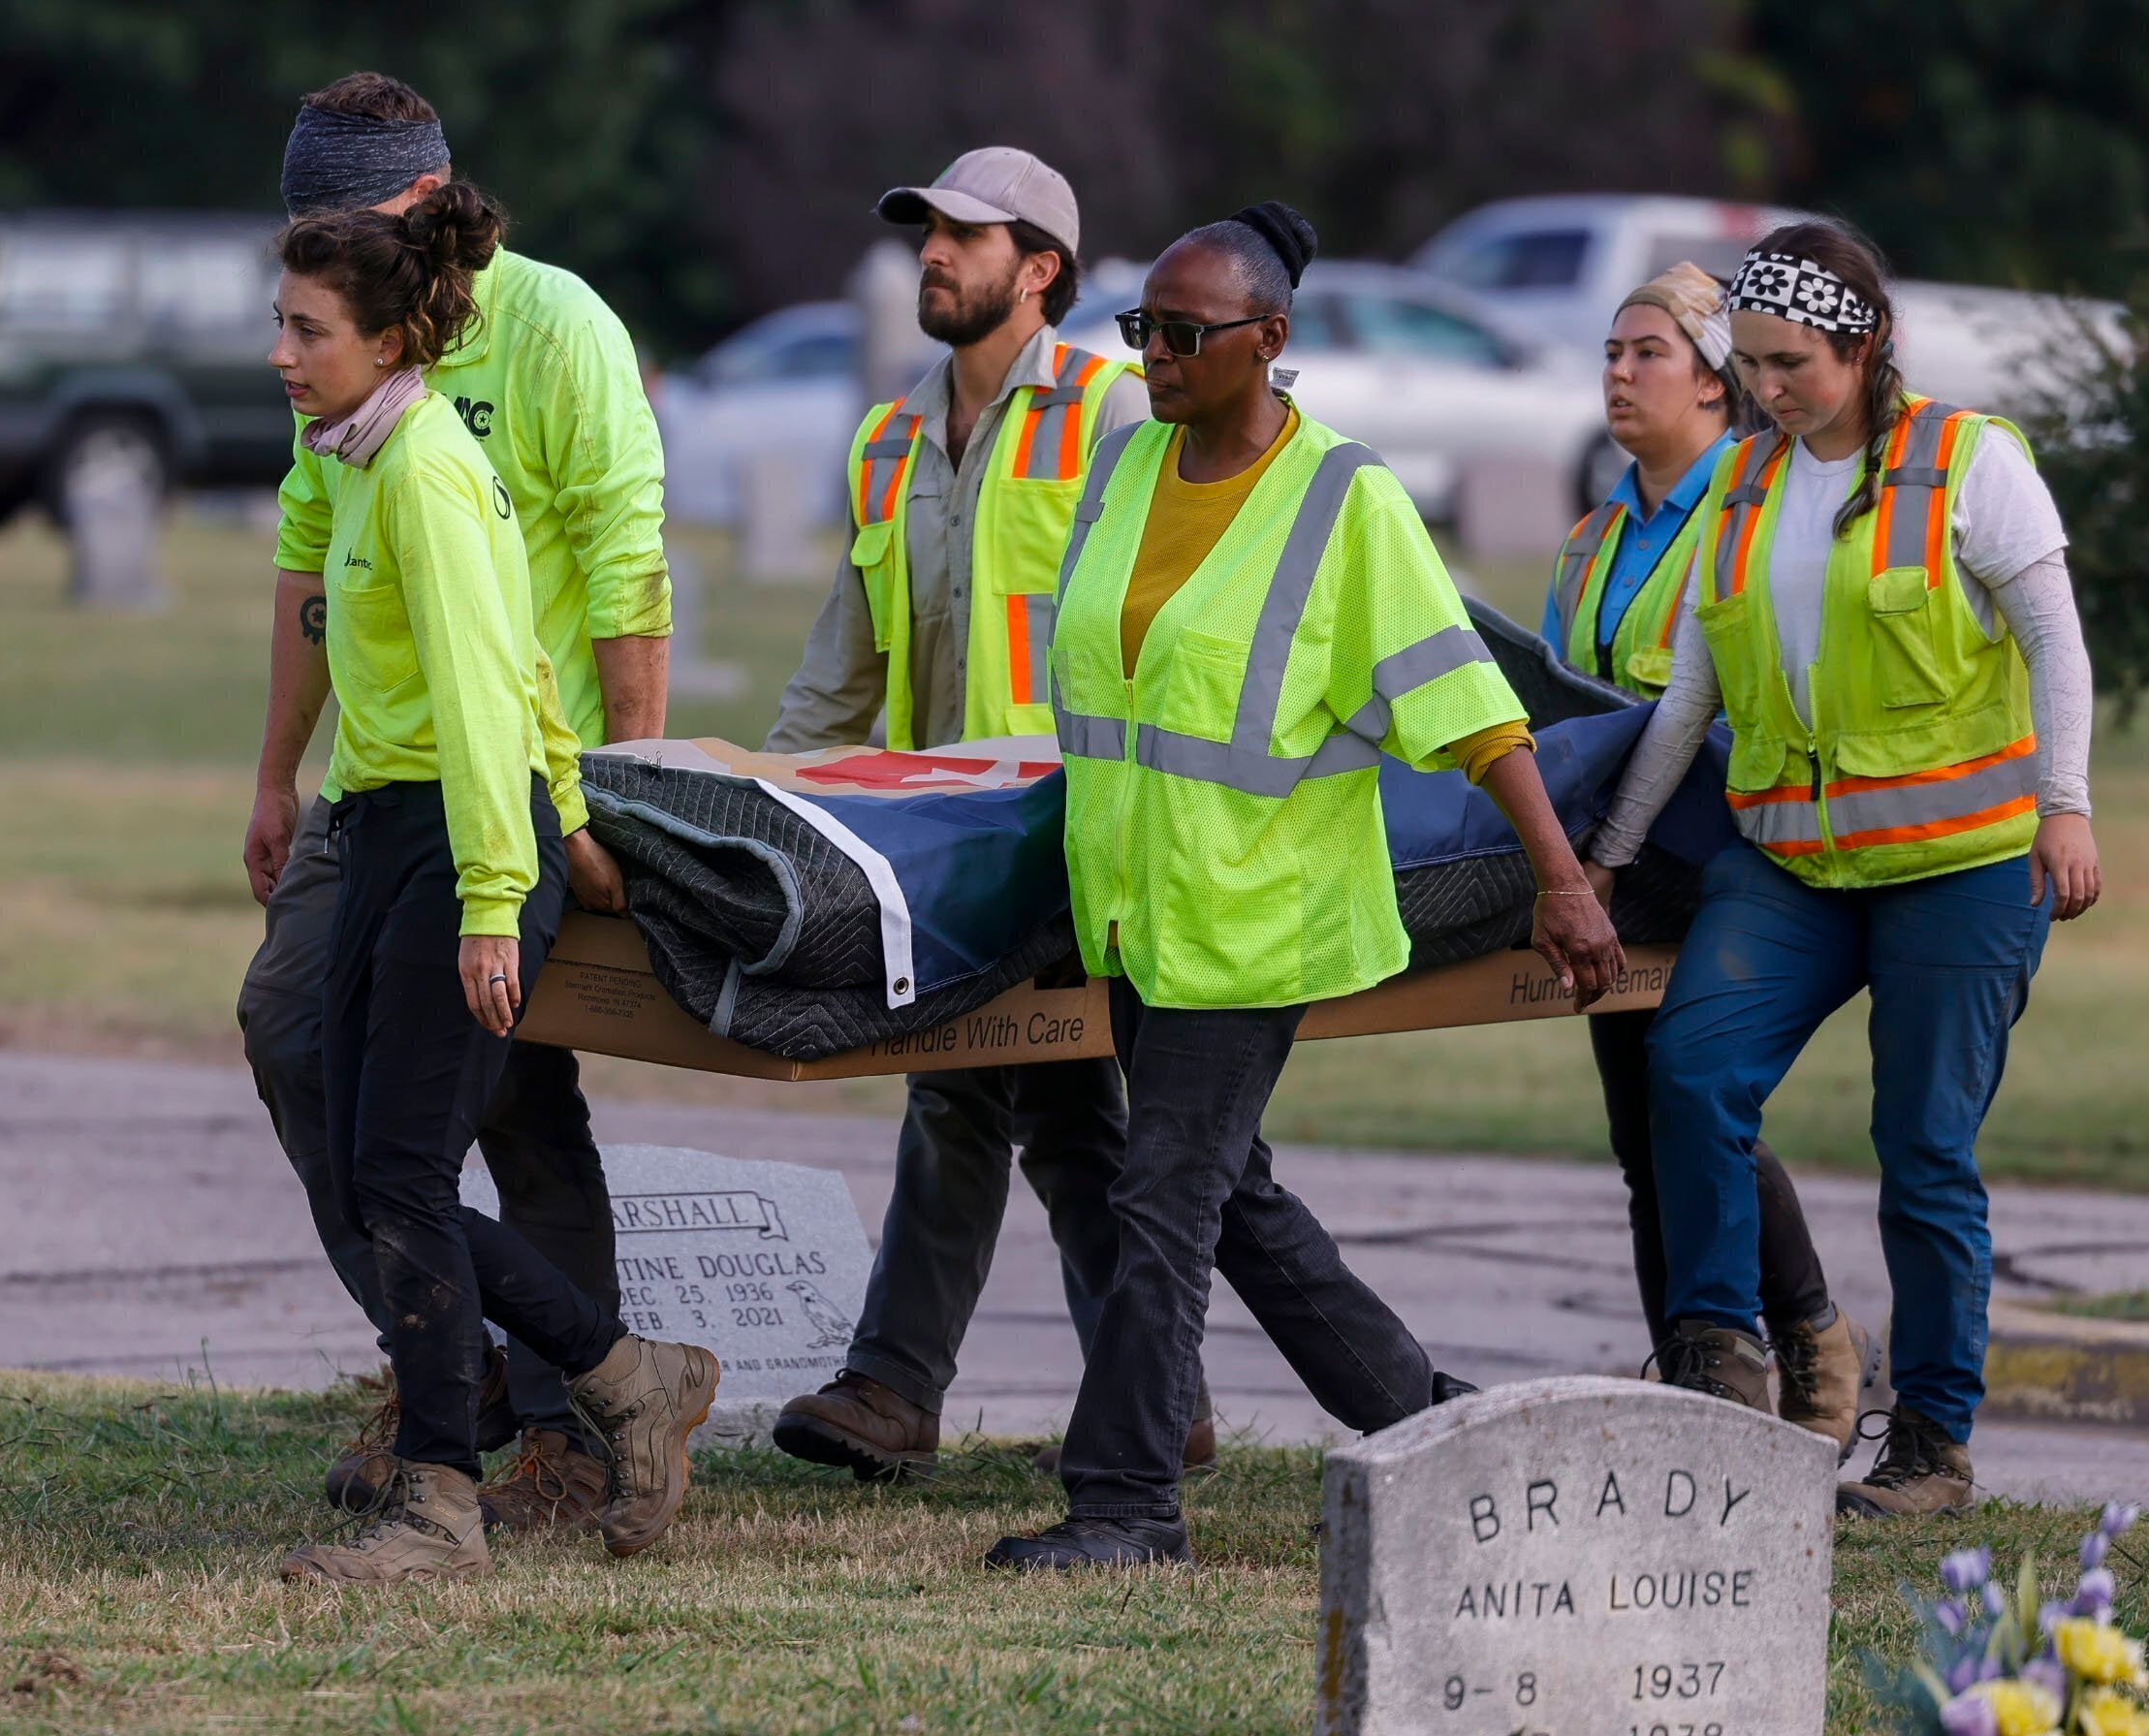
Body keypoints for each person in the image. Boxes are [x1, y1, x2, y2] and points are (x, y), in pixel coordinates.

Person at [983, 203, 1627, 1571]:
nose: (1151, 354)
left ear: (1269, 342)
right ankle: (1421, 1419)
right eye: (1140, 328)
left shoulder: (1347, 498)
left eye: (1182, 333)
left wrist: (1562, 883)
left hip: (1259, 917)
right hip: (1138, 907)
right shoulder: (1123, 470)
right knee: (1232, 1198)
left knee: (1164, 1199)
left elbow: (1465, 704)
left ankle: (1127, 1504)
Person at [1580, 219, 2102, 1518]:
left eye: (1790, 362)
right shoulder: (1746, 487)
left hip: (1961, 868)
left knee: (1923, 1150)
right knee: (1687, 1071)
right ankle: (1717, 1366)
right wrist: (1607, 856)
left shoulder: (1967, 464)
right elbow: (1691, 694)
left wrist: (2068, 809)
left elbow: (2057, 645)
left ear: (1866, 347)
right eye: (1748, 363)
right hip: (1794, 867)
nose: (1766, 390)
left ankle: (1929, 1446)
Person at [262, 186, 719, 1584]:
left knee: (402, 1175)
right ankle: (632, 1376)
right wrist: (563, 814)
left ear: (396, 336)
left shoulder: (425, 474)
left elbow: (483, 700)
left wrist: (495, 894)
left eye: (306, 330)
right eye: (277, 324)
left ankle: (441, 1503)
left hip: (455, 848)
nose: (279, 355)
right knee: (374, 1169)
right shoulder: (354, 455)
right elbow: (520, 665)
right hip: (389, 826)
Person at [761, 148, 1222, 1483]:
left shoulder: (1121, 413)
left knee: (971, 1091)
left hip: (1073, 826)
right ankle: (1154, 1394)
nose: (933, 254)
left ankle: (900, 1388)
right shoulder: (889, 436)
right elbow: (843, 665)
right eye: (926, 234)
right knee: (1059, 1112)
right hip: (944, 841)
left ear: (1042, 272)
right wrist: (763, 798)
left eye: (966, 236)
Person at [1546, 268, 1870, 1454]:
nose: (1620, 374)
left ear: (1715, 380)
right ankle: (1701, 1368)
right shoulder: (1590, 537)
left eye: (1648, 353)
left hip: (1725, 842)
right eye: (1611, 352)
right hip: (1613, 856)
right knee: (1645, 1128)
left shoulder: (1763, 501)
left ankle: (1803, 1338)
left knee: (1694, 1106)